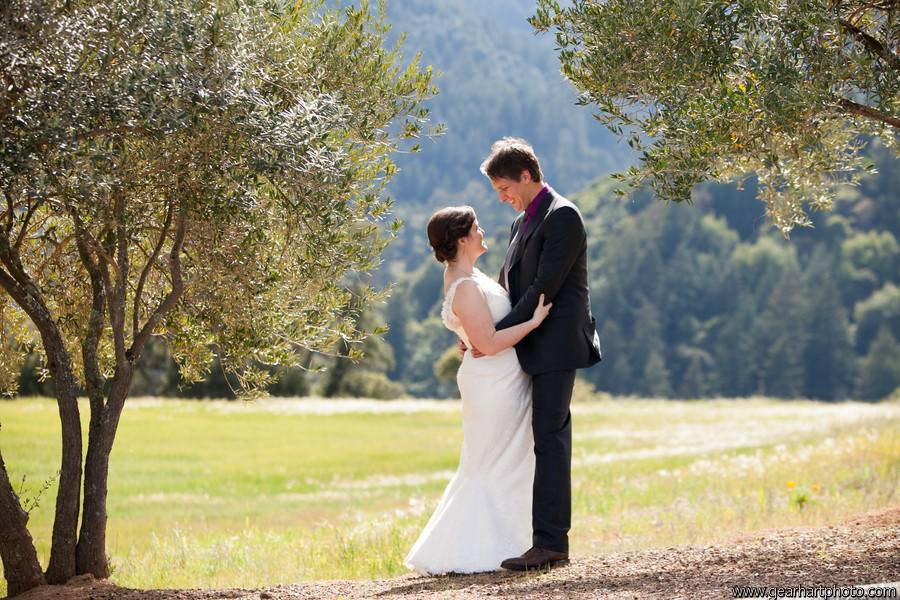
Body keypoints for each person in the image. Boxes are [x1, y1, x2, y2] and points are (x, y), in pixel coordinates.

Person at [476, 137, 602, 571]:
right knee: (529, 441)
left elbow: (542, 288)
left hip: (555, 344)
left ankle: (551, 543)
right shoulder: (520, 223)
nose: (502, 198)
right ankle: (524, 536)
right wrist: (477, 326)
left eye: (504, 188)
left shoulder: (563, 215)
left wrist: (494, 333)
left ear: (527, 176)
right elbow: (508, 287)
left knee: (549, 439)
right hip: (525, 342)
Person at [404, 205, 552, 574]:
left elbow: (476, 332)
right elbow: (486, 341)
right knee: (491, 459)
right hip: (493, 382)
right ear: (462, 238)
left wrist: (470, 337)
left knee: (505, 458)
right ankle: (476, 550)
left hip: (499, 377)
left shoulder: (466, 276)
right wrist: (533, 322)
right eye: (477, 227)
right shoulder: (466, 283)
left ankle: (509, 542)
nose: (483, 231)